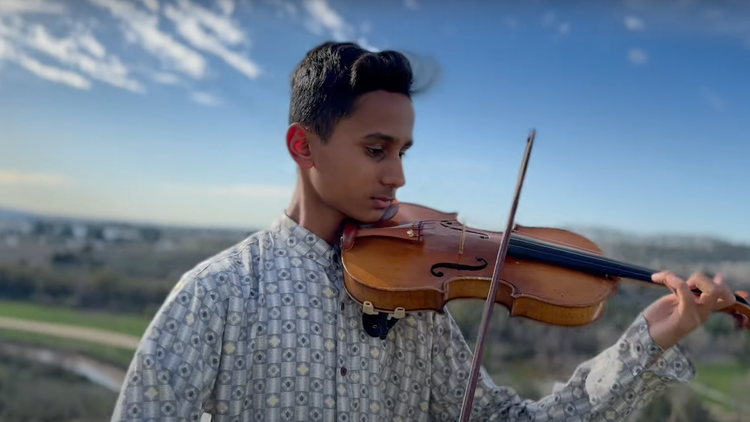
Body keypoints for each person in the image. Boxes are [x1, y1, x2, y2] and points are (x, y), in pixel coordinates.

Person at [110, 41, 742, 422]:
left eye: (405, 150)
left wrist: (652, 340)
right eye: (377, 149)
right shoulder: (215, 297)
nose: (399, 177)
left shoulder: (418, 302)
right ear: (303, 146)